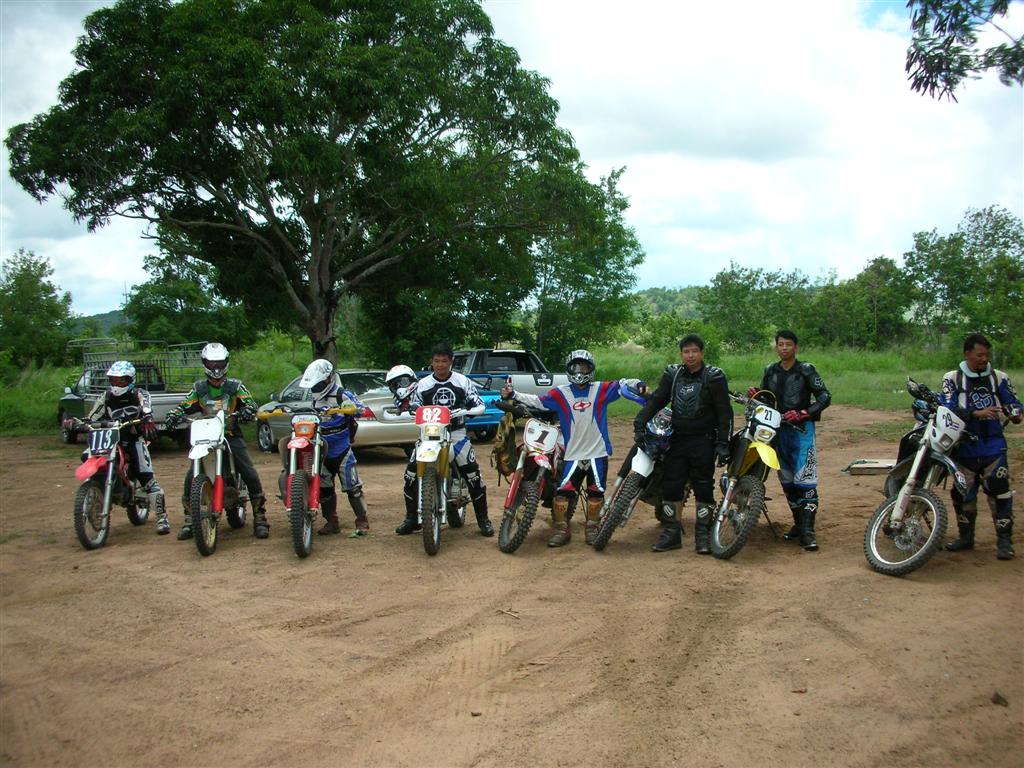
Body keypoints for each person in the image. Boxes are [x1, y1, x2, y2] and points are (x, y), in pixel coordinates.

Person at [502, 349, 648, 547]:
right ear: (569, 369)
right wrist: (514, 394)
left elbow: (622, 384)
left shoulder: (601, 389)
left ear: (591, 369)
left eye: (584, 367)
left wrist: (639, 385)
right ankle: (562, 530)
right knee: (562, 494)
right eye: (576, 367)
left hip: (598, 453)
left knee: (596, 493)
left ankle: (592, 529)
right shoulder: (561, 393)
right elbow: (538, 401)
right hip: (572, 454)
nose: (580, 371)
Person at [635, 335, 731, 554]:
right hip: (677, 439)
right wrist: (639, 423)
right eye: (686, 352)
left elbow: (724, 412)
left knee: (703, 486)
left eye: (694, 351)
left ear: (702, 353)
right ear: (681, 354)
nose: (690, 355)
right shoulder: (673, 375)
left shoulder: (714, 377)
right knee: (671, 485)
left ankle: (703, 535)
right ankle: (672, 533)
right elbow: (657, 400)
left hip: (703, 439)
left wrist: (723, 443)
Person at [163, 343, 269, 540]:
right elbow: (184, 405)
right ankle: (190, 520)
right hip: (205, 437)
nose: (216, 368)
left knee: (249, 472)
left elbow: (250, 403)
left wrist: (247, 410)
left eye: (219, 363)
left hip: (230, 434)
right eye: (212, 364)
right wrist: (174, 414)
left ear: (226, 363)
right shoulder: (199, 388)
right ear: (205, 364)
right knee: (191, 476)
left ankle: (260, 517)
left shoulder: (235, 386)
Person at [389, 345, 494, 537]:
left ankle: (483, 520)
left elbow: (478, 403)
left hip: (456, 434)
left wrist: (468, 410)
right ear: (431, 362)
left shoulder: (462, 381)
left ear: (451, 362)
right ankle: (411, 519)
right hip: (428, 434)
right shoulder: (423, 384)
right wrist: (409, 409)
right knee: (410, 475)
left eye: (444, 361)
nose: (440, 365)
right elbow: (414, 404)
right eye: (436, 361)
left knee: (473, 475)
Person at [939, 333, 1022, 560]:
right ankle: (966, 538)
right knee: (963, 493)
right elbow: (947, 408)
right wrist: (976, 413)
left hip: (993, 445)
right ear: (967, 354)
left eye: (987, 355)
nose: (984, 359)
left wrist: (1015, 413)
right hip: (963, 446)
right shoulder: (952, 378)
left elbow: (1013, 403)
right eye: (979, 355)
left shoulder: (999, 378)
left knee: (1000, 490)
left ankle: (1004, 542)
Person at [749, 329, 831, 552]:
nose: (784, 348)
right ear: (776, 347)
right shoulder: (770, 370)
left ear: (796, 347)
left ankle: (808, 532)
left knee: (805, 479)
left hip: (802, 431)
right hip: (778, 431)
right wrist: (756, 394)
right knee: (787, 480)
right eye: (780, 344)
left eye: (788, 344)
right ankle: (798, 524)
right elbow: (767, 398)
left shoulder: (806, 370)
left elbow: (824, 396)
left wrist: (804, 413)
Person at [83, 360, 169, 534]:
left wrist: (147, 418)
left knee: (146, 476)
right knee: (87, 456)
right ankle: (90, 498)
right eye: (113, 380)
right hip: (109, 440)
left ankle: (162, 518)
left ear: (130, 380)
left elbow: (146, 408)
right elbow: (93, 416)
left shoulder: (140, 394)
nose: (116, 384)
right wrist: (81, 422)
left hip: (133, 438)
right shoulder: (106, 396)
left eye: (121, 380)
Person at [286, 359, 370, 536]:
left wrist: (351, 408)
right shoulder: (312, 399)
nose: (315, 388)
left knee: (352, 486)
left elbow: (362, 409)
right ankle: (331, 521)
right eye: (313, 386)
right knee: (324, 486)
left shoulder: (342, 394)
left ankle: (362, 520)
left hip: (341, 448)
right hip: (320, 447)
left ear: (328, 379)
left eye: (318, 385)